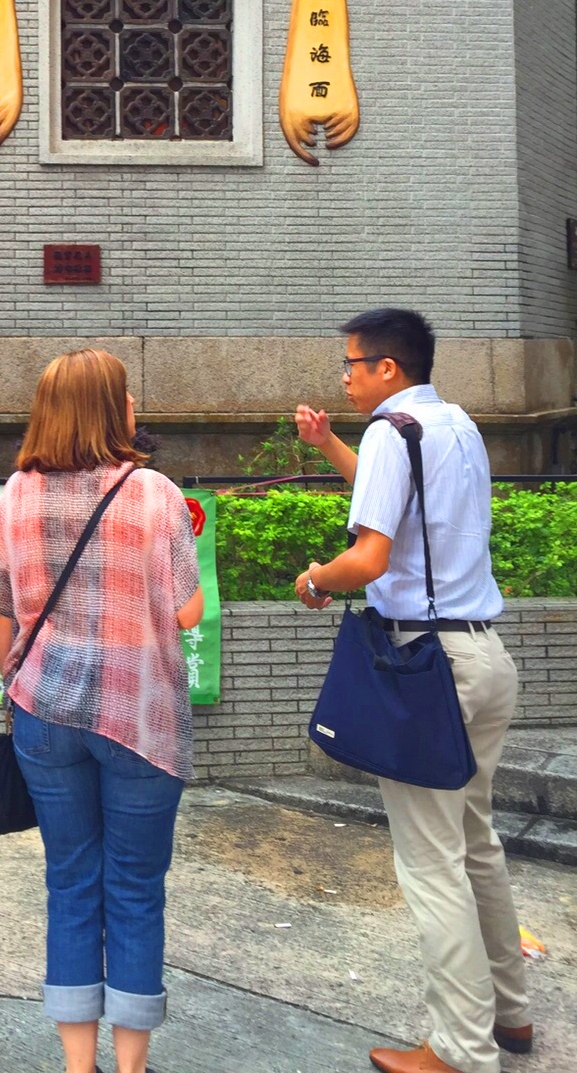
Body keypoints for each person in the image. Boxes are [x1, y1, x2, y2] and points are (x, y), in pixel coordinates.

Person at [294, 308, 531, 1073]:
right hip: (484, 659)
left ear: (387, 369)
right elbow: (397, 502)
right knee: (475, 846)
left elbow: (369, 556)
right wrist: (327, 442)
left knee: (431, 865)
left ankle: (460, 1051)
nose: (346, 375)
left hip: (429, 668)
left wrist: (314, 579)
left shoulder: (392, 431)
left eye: (353, 364)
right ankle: (510, 1017)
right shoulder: (453, 426)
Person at [0, 349, 204, 1073]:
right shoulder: (155, 494)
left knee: (71, 881)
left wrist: (22, 679)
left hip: (44, 713)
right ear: (116, 410)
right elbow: (188, 613)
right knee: (136, 889)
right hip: (139, 717)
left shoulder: (15, 493)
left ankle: (78, 1068)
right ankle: (131, 1067)